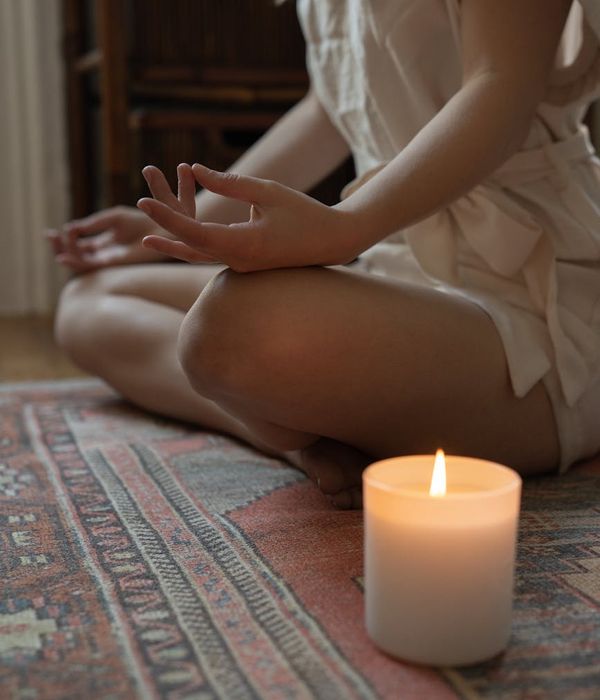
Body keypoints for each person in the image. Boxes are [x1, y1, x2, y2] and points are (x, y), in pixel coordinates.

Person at [49, 0, 600, 509]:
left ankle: (287, 412)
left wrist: (347, 228)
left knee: (230, 327)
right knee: (88, 303)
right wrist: (184, 227)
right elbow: (328, 112)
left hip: (532, 295)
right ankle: (294, 440)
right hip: (393, 264)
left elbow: (501, 83)